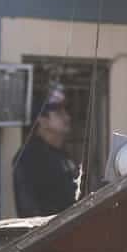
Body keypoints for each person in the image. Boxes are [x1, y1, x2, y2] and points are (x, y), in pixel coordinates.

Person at [13, 86, 79, 217]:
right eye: (59, 113)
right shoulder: (29, 157)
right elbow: (29, 209)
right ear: (42, 121)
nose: (67, 117)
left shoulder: (63, 154)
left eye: (66, 111)